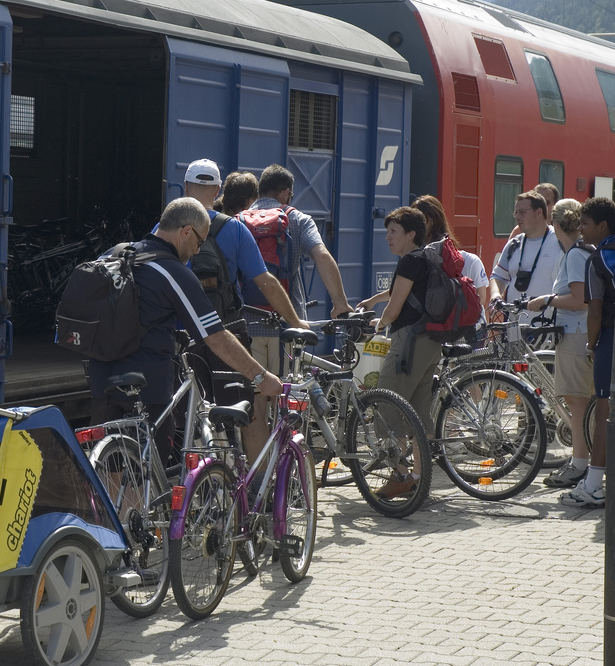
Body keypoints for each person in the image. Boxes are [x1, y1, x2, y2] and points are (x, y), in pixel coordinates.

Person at [89, 197, 284, 468]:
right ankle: (136, 510)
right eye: (199, 242)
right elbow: (215, 337)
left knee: (112, 464)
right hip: (149, 384)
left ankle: (112, 511)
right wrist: (260, 376)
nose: (196, 251)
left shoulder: (113, 254)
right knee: (144, 471)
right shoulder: (173, 271)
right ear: (186, 232)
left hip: (101, 377)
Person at [178, 159, 304, 465]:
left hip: (183, 337)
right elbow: (267, 284)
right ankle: (257, 483)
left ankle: (199, 484)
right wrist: (296, 322)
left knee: (190, 414)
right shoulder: (234, 228)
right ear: (218, 190)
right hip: (228, 333)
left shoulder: (167, 227)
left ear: (185, 188)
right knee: (248, 412)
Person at [245, 164, 354, 452]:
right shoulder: (298, 220)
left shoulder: (237, 221)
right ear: (285, 193)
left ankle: (260, 481)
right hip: (289, 329)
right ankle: (288, 473)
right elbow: (321, 255)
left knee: (256, 404)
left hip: (247, 327)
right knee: (288, 401)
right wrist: (340, 305)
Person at [361, 206, 438, 498]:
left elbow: (394, 309)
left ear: (411, 234)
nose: (387, 238)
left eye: (393, 232)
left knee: (384, 406)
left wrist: (377, 324)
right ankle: (420, 478)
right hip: (430, 342)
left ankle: (401, 475)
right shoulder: (429, 258)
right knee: (419, 413)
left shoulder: (409, 262)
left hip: (408, 341)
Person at [525, 199, 595, 489]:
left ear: (555, 225)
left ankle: (579, 465)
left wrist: (546, 300)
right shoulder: (582, 251)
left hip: (576, 334)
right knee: (584, 403)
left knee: (577, 402)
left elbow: (579, 300)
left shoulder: (575, 254)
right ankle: (585, 463)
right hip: (582, 333)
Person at [559, 197, 615, 507]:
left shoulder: (597, 259)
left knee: (604, 415)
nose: (580, 229)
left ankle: (594, 485)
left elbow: (594, 311)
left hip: (611, 337)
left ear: (603, 226)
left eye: (585, 223)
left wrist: (592, 344)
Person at [489, 190, 561, 324]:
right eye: (516, 212)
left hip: (547, 327)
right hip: (513, 328)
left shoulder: (559, 241)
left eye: (522, 212)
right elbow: (498, 276)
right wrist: (495, 295)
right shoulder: (514, 243)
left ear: (539, 212)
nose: (517, 217)